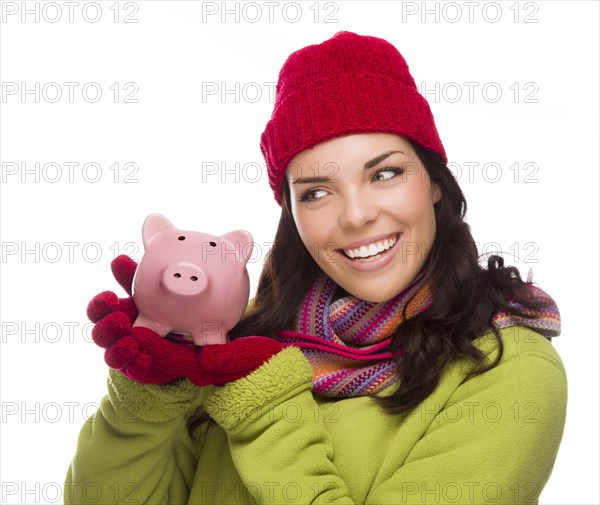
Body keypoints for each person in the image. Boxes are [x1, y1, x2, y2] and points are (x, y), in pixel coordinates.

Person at [65, 31, 567, 505]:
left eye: (385, 173)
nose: (355, 215)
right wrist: (150, 391)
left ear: (434, 183)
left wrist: (265, 405)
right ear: (293, 215)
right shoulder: (243, 337)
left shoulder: (509, 368)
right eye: (317, 192)